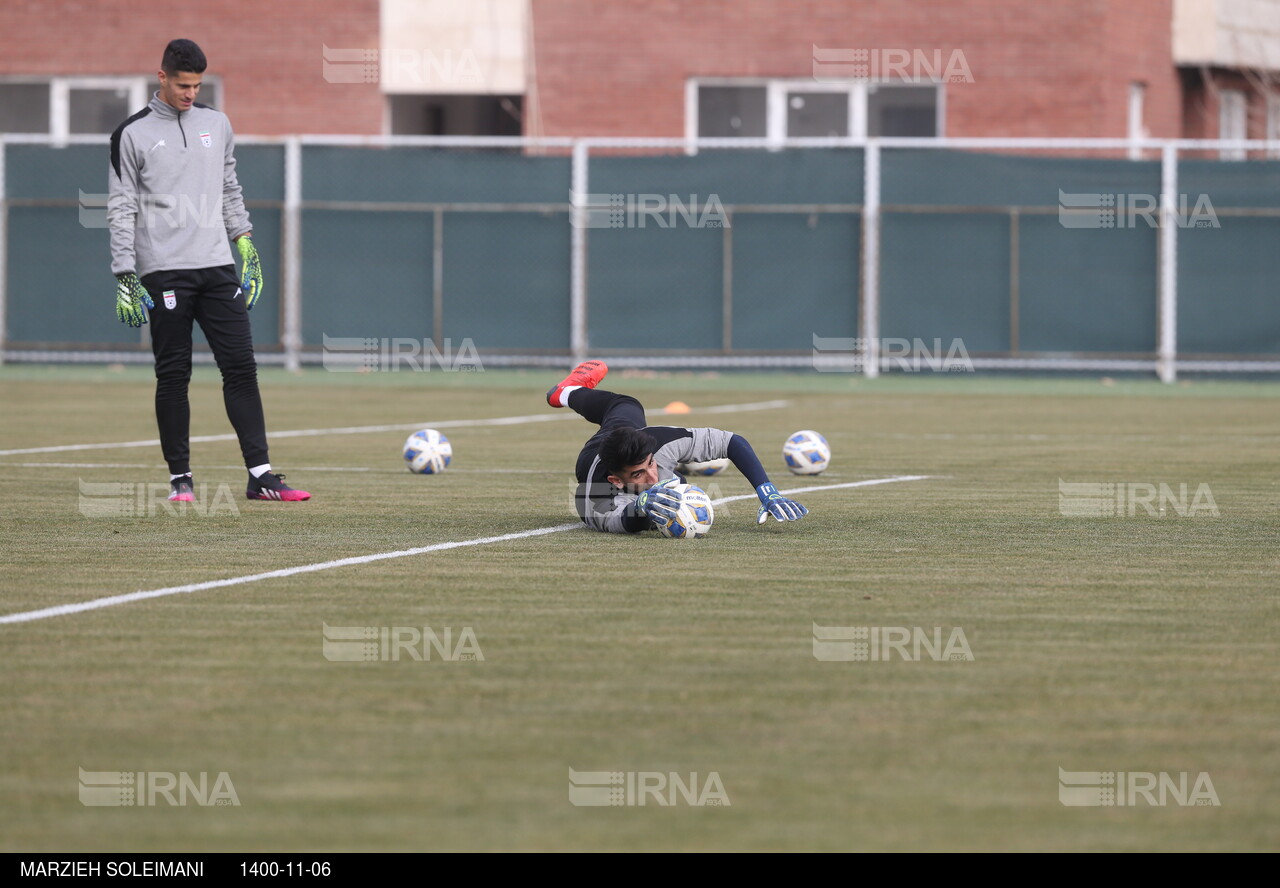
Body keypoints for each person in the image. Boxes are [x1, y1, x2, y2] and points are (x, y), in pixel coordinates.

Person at [108, 38, 308, 503]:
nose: (190, 93)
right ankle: (181, 479)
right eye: (182, 85)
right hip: (164, 271)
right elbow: (120, 208)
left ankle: (261, 477)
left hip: (217, 266)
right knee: (174, 375)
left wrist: (245, 243)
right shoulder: (130, 134)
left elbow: (229, 187)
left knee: (242, 368)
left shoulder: (216, 124)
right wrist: (124, 273)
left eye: (197, 85)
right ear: (162, 78)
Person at [546, 360, 808, 533]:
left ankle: (565, 392)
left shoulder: (661, 444)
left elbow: (733, 442)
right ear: (616, 480)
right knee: (673, 484)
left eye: (650, 464)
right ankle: (674, 480)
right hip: (593, 455)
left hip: (625, 431)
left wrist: (768, 491)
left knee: (627, 405)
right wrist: (640, 507)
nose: (653, 474)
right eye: (638, 474)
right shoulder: (593, 495)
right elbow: (622, 522)